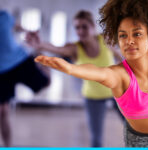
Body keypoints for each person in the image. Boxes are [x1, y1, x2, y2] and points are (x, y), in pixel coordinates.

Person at [34, 0, 148, 147]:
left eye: (137, 34)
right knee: (96, 137)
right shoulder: (118, 75)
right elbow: (98, 72)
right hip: (141, 138)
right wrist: (71, 68)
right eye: (123, 36)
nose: (129, 41)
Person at [26, 10, 124, 147]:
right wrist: (40, 44)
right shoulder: (75, 49)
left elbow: (119, 55)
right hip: (93, 97)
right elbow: (57, 49)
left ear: (92, 27)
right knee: (96, 140)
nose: (80, 31)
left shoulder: (105, 40)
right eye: (77, 27)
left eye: (84, 26)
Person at [0, 0, 50, 147]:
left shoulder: (5, 16)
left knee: (46, 83)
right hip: (3, 72)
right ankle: (7, 146)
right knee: (2, 111)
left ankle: (42, 57)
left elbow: (17, 26)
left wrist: (29, 32)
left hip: (21, 62)